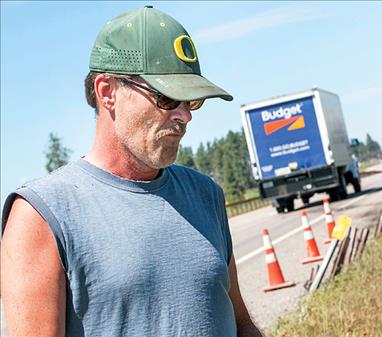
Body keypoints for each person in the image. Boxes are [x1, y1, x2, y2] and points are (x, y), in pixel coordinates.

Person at [1, 6, 263, 337]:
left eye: (192, 101)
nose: (185, 116)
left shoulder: (205, 194)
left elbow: (240, 324)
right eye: (168, 98)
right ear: (108, 92)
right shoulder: (41, 215)